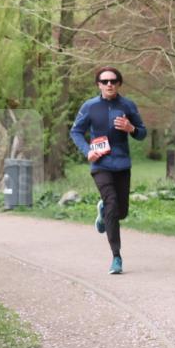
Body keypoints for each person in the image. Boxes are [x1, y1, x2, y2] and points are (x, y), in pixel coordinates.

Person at [70, 67, 148, 275]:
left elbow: (142, 133)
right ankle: (116, 257)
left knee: (120, 212)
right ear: (99, 85)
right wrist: (87, 151)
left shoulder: (127, 105)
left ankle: (103, 211)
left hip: (122, 164)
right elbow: (76, 131)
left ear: (119, 84)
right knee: (113, 205)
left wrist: (131, 129)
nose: (109, 85)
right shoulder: (90, 106)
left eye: (113, 81)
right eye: (104, 81)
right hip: (100, 164)